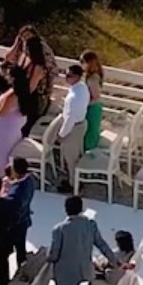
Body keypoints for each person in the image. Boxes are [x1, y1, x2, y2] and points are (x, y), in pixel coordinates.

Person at [48, 194, 115, 285]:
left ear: (66, 209)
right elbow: (101, 244)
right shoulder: (90, 224)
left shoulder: (59, 229)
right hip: (84, 271)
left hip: (65, 276)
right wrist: (116, 261)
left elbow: (54, 255)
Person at [53, 64, 91, 194]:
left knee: (71, 158)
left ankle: (73, 184)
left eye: (69, 76)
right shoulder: (83, 87)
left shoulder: (73, 98)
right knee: (77, 154)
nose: (66, 78)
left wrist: (61, 134)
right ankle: (76, 179)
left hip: (73, 128)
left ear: (77, 77)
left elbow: (70, 119)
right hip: (82, 124)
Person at [0, 72, 24, 180]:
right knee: (5, 154)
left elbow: (2, 111)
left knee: (3, 156)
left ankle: (1, 179)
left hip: (7, 127)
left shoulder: (13, 95)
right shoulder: (22, 91)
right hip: (13, 125)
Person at [5, 157, 38, 271]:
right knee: (21, 250)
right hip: (24, 220)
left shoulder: (16, 193)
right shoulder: (29, 180)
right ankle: (23, 270)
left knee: (6, 252)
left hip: (15, 226)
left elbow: (14, 211)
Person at [19, 34, 53, 137]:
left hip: (35, 99)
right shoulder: (26, 59)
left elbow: (31, 88)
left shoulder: (38, 67)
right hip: (27, 95)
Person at [80, 49, 106, 152]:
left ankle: (89, 153)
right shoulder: (91, 76)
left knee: (90, 132)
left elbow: (95, 96)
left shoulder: (93, 79)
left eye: (82, 62)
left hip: (92, 108)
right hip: (92, 107)